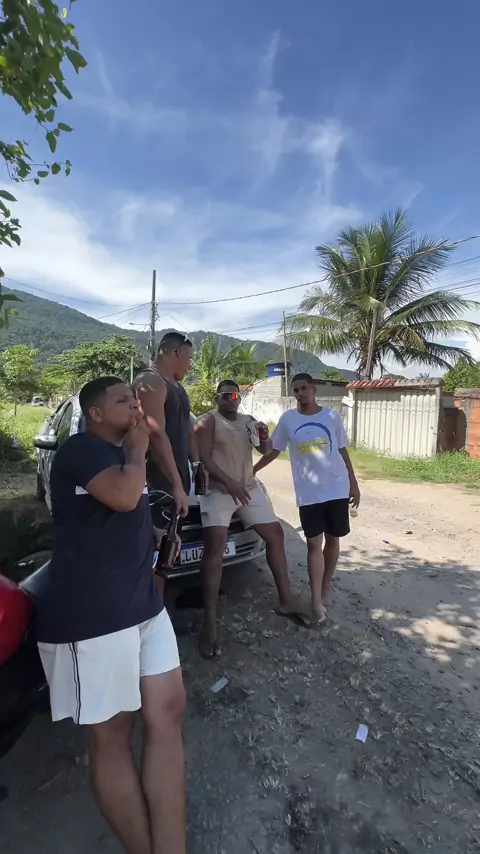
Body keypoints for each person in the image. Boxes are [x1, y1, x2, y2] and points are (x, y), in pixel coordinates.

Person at [35, 377, 186, 854]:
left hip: (143, 606)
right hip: (93, 616)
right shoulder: (81, 449)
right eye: (124, 400)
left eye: (136, 399)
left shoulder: (121, 455)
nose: (135, 406)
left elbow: (122, 512)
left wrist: (152, 537)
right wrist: (139, 449)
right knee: (112, 736)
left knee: (168, 710)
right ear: (96, 414)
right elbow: (122, 496)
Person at [195, 379, 309, 658]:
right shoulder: (208, 421)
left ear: (239, 398)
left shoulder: (248, 421)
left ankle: (286, 600)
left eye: (235, 395)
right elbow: (204, 459)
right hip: (219, 492)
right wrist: (228, 483)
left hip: (247, 488)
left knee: (275, 536)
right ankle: (210, 624)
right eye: (225, 395)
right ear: (217, 397)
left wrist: (265, 437)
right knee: (214, 551)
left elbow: (265, 450)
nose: (230, 399)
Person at [253, 373, 360, 624]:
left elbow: (342, 450)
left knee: (332, 540)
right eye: (296, 390)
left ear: (314, 390)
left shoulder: (331, 417)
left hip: (336, 487)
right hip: (308, 492)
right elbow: (274, 450)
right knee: (313, 544)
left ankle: (324, 589)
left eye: (303, 388)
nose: (300, 393)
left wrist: (353, 483)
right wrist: (254, 469)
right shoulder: (288, 419)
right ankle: (315, 602)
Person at [133, 332, 198, 521]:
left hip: (177, 479)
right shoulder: (150, 382)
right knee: (157, 536)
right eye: (189, 358)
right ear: (178, 352)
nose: (190, 365)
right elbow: (155, 434)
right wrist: (175, 483)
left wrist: (196, 464)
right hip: (157, 483)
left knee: (173, 536)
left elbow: (188, 428)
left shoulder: (178, 387)